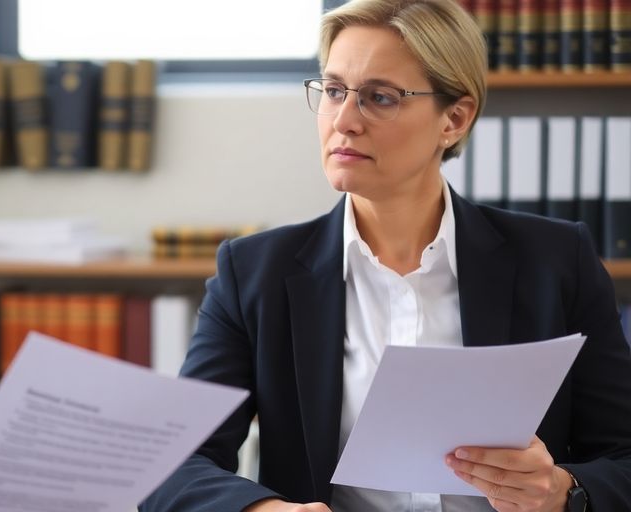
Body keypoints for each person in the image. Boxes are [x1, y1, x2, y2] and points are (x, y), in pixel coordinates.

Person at [142, 1, 631, 511]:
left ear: (455, 119)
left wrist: (564, 491)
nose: (345, 121)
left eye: (380, 97)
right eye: (333, 91)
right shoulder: (252, 274)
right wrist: (264, 510)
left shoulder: (556, 261)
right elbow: (174, 464)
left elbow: (625, 457)